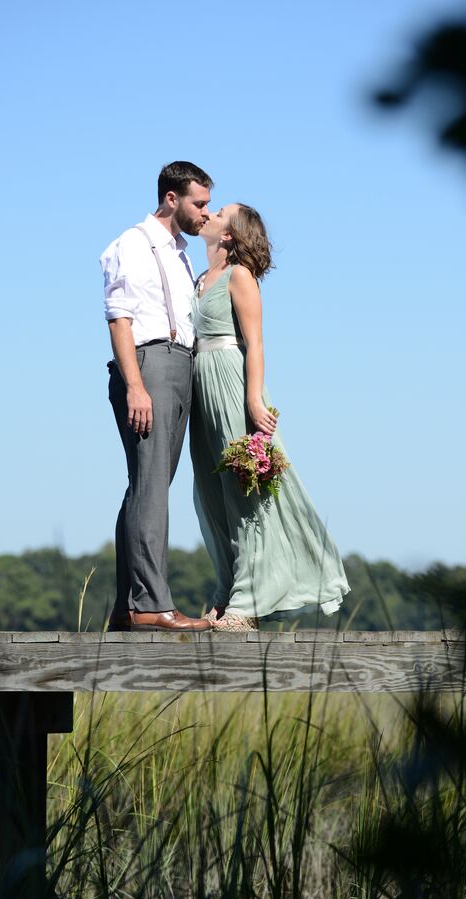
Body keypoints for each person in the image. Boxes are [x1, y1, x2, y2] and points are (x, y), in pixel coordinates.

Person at [190, 204, 350, 631]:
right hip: (200, 388)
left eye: (219, 212)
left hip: (230, 383)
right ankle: (227, 593)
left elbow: (256, 344)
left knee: (244, 493)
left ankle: (247, 603)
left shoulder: (238, 277)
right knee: (211, 492)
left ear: (229, 234)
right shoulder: (199, 278)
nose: (209, 213)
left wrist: (255, 401)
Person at [100, 161, 214, 632]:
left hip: (179, 366)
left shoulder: (182, 252)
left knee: (147, 491)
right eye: (199, 203)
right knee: (149, 490)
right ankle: (150, 604)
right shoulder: (131, 243)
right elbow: (119, 318)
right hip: (150, 366)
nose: (205, 213)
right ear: (172, 198)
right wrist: (136, 386)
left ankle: (129, 606)